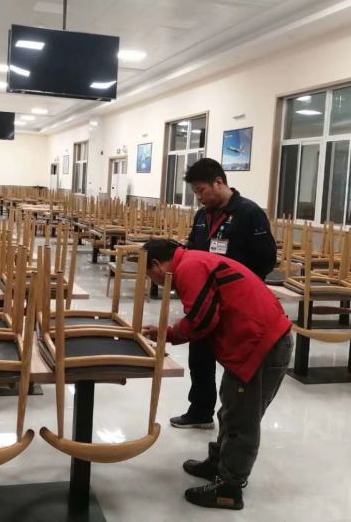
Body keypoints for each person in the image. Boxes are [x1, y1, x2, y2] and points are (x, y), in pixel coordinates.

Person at [141, 239, 292, 510]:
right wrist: (170, 333)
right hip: (254, 340)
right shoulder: (193, 261)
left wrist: (170, 334)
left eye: (149, 275)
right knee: (231, 406)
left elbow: (203, 319)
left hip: (262, 344)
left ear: (156, 264)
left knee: (242, 417)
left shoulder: (188, 268)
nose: (153, 281)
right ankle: (219, 463)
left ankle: (229, 487)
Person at [172, 157, 277, 430]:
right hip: (206, 299)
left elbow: (266, 258)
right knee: (199, 357)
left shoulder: (248, 213)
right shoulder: (202, 217)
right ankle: (200, 410)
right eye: (195, 192)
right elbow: (193, 251)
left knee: (235, 361)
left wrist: (242, 287)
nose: (198, 198)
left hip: (236, 302)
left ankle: (233, 419)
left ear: (219, 182)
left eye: (201, 191)